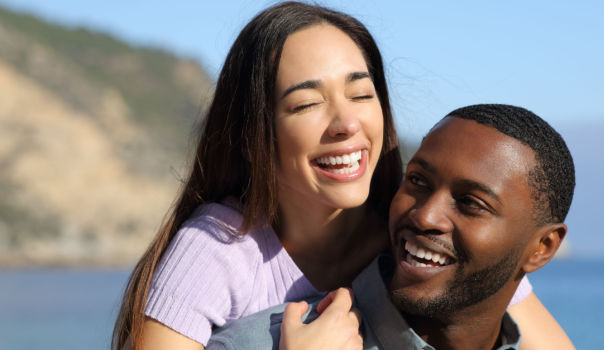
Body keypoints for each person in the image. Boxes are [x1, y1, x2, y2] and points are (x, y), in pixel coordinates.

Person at [112, 2, 572, 349]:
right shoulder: (219, 247)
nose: (346, 124)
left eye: (361, 94)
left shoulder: (419, 226)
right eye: (307, 103)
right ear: (255, 132)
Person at [205, 104, 576, 350]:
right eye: (417, 181)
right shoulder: (267, 342)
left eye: (470, 203)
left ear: (541, 247)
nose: (425, 216)